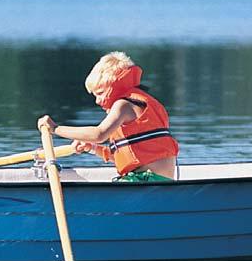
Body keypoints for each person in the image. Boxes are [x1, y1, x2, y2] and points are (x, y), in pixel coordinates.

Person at [37, 52, 179, 182]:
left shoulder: (124, 105)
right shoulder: (141, 103)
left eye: (100, 92)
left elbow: (99, 134)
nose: (97, 101)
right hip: (159, 181)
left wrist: (55, 128)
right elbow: (128, 155)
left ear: (114, 84)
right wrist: (92, 148)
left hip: (145, 180)